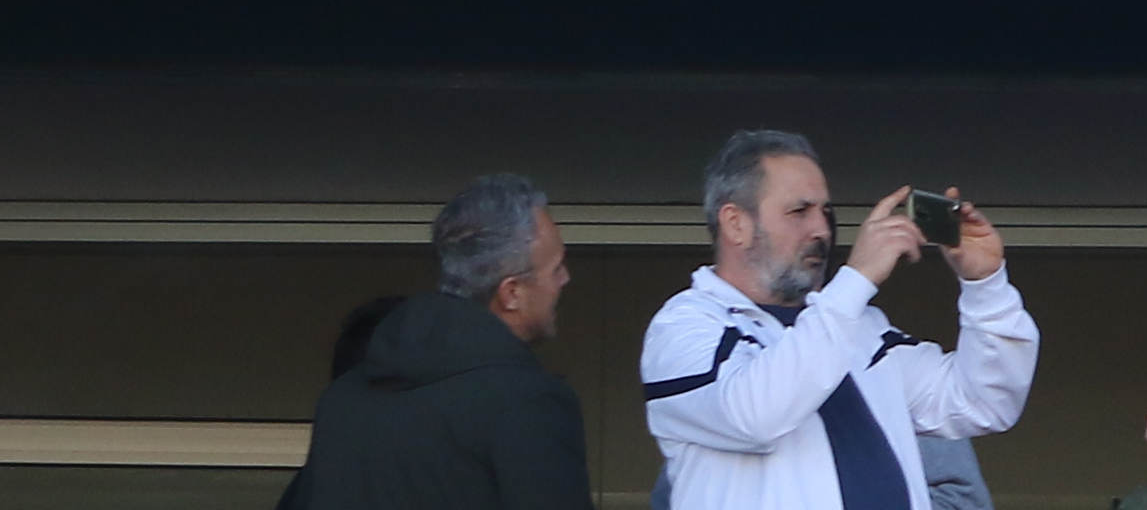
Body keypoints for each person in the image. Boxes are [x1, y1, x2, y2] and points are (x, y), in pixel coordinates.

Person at [643, 136, 1033, 510]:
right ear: (735, 224)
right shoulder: (684, 326)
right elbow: (756, 416)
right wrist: (857, 278)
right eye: (800, 211)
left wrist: (985, 284)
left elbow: (983, 402)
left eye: (825, 212)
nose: (822, 230)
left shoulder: (860, 328)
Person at [293, 176, 587, 510]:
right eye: (556, 269)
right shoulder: (529, 404)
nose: (565, 279)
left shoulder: (342, 402)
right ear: (511, 293)